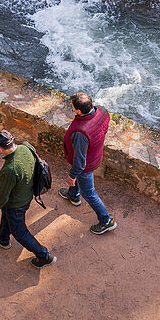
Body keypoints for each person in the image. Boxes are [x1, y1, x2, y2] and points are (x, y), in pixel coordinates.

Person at [0, 129, 57, 268]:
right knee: (7, 215)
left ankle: (44, 256)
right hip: (26, 194)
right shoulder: (26, 146)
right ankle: (2, 238)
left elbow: (3, 195)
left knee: (19, 231)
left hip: (16, 203)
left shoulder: (10, 169)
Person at [59, 92, 117, 234]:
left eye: (72, 106)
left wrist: (71, 176)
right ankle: (73, 196)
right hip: (95, 156)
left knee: (89, 193)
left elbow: (79, 163)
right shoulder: (102, 112)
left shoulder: (80, 133)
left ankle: (106, 220)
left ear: (78, 111)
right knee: (81, 183)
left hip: (86, 165)